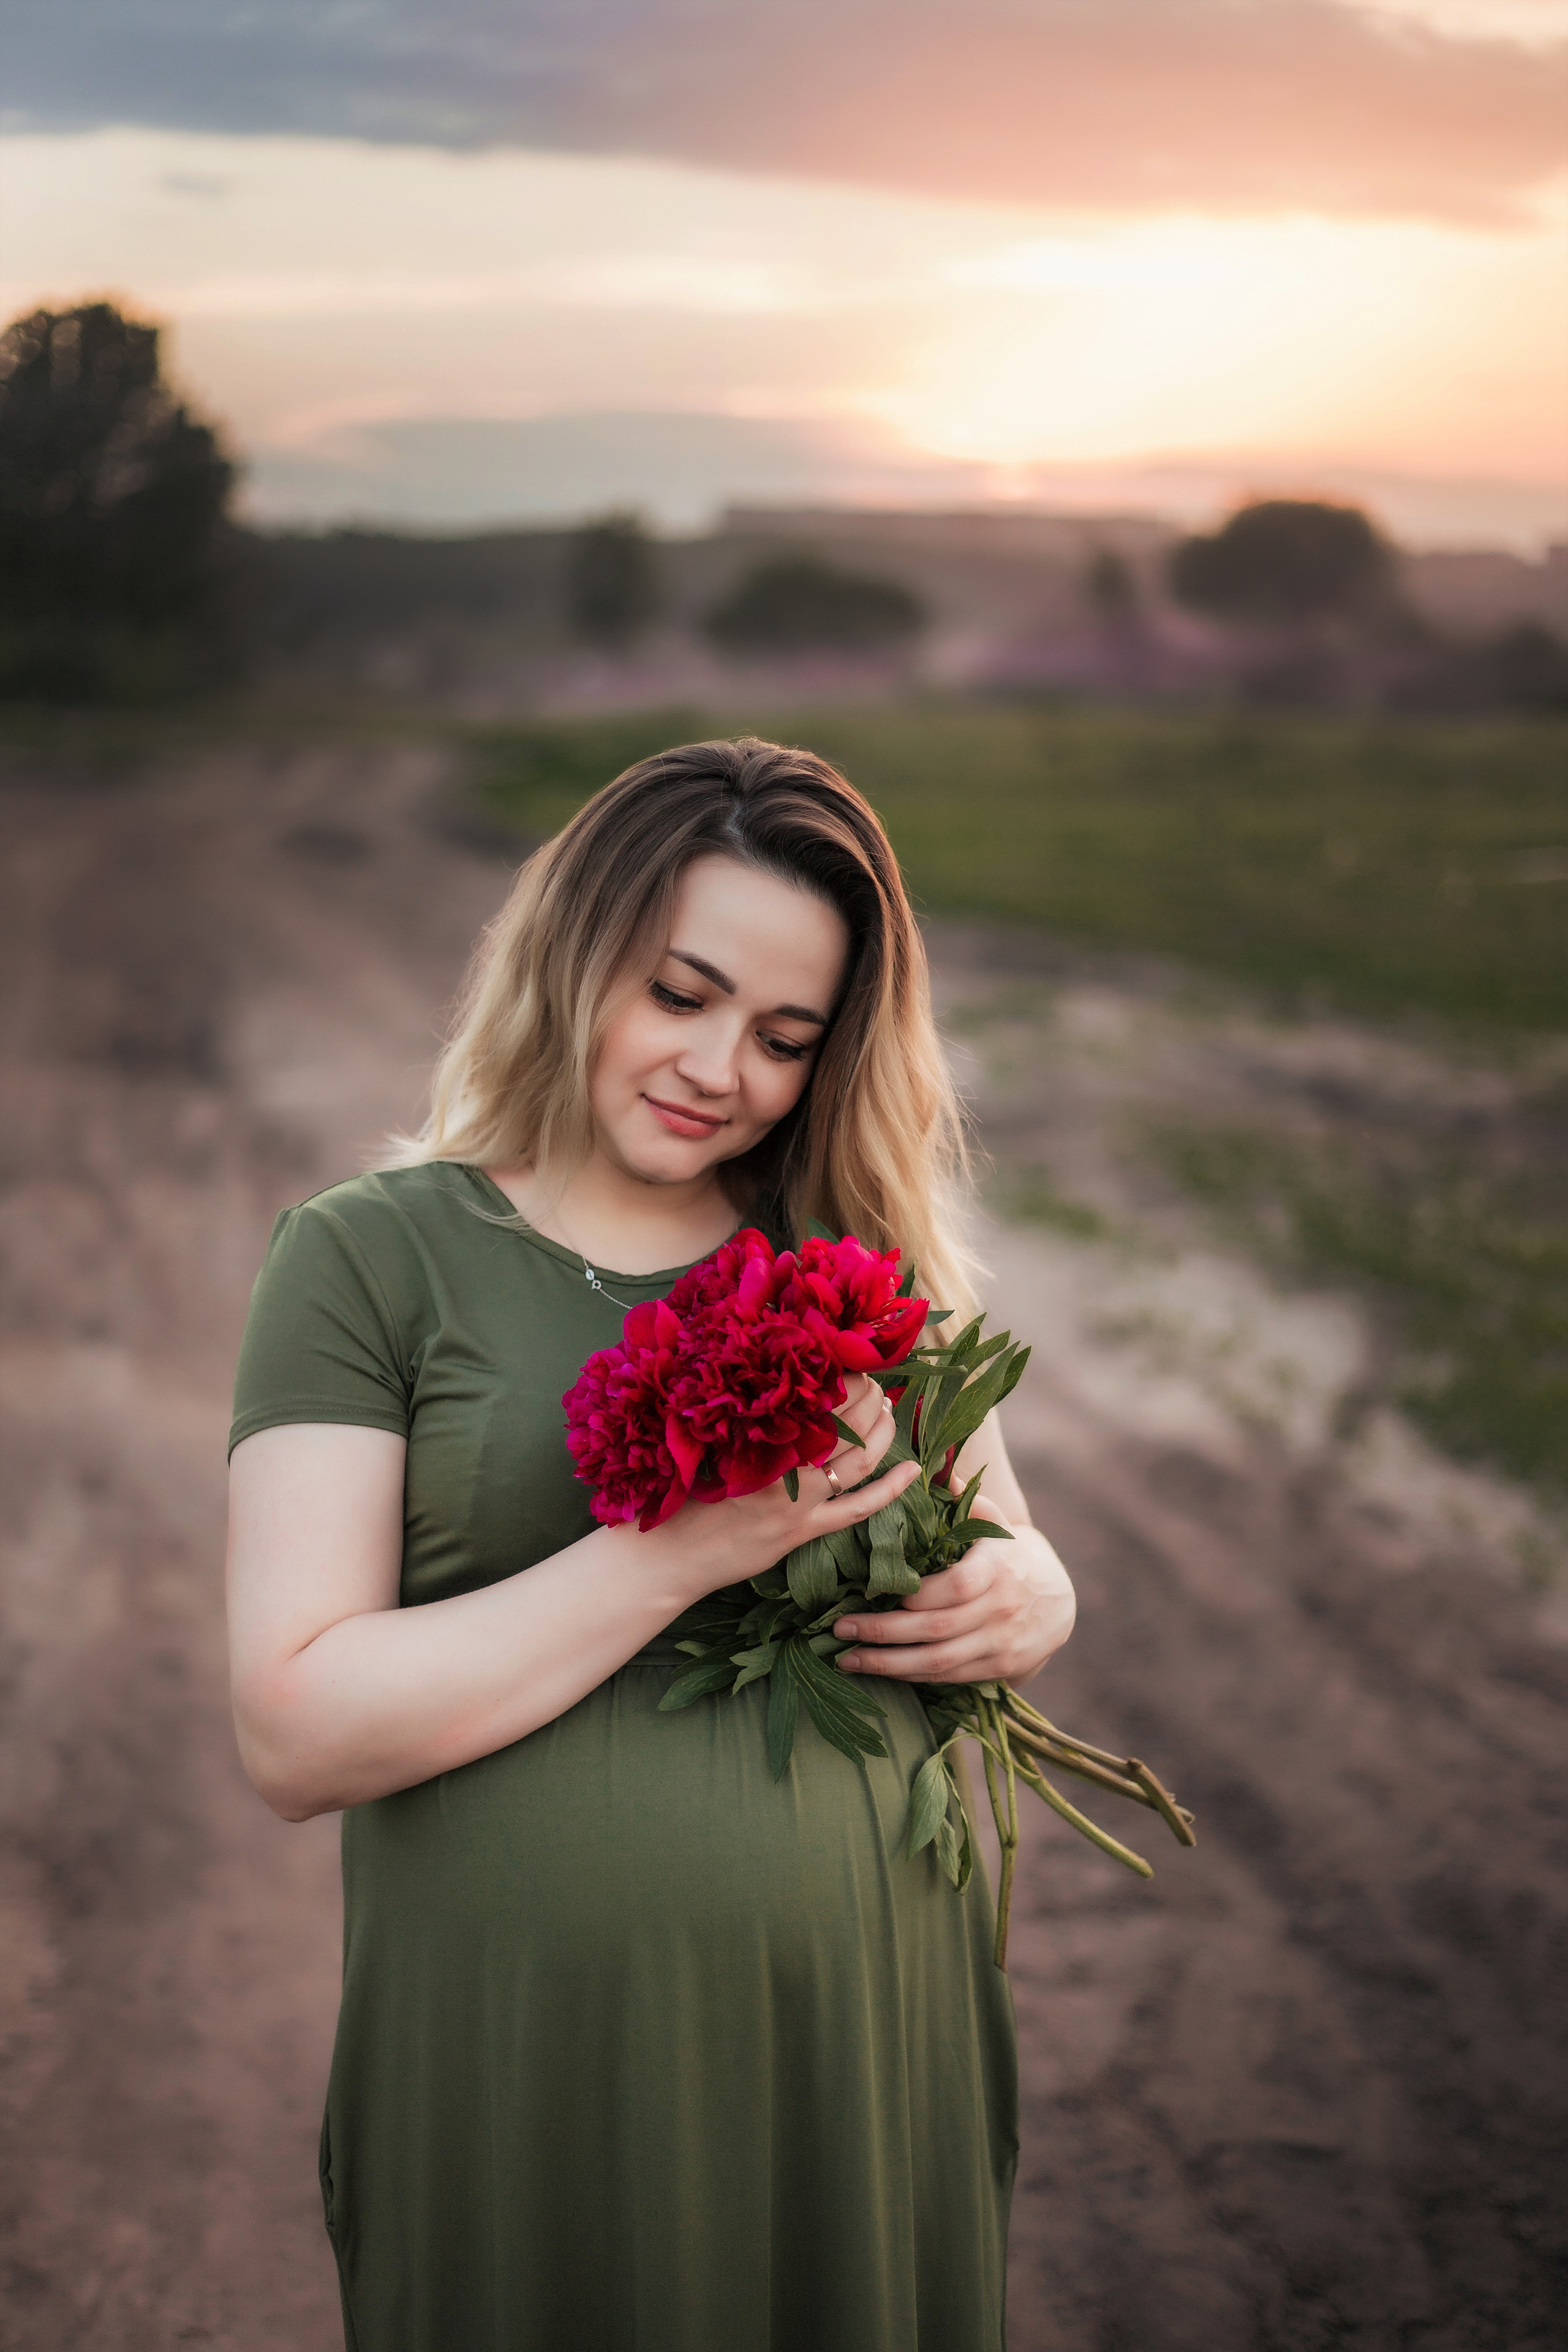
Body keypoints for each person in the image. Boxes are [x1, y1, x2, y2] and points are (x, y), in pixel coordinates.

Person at [226, 736, 1077, 2352]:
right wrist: (676, 1552)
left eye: (782, 1035)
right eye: (677, 994)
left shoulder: (853, 1261)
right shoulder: (365, 1260)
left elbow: (1009, 1547)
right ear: (573, 953)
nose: (719, 1068)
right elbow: (293, 1725)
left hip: (853, 2024)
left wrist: (1033, 1592)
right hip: (527, 2053)